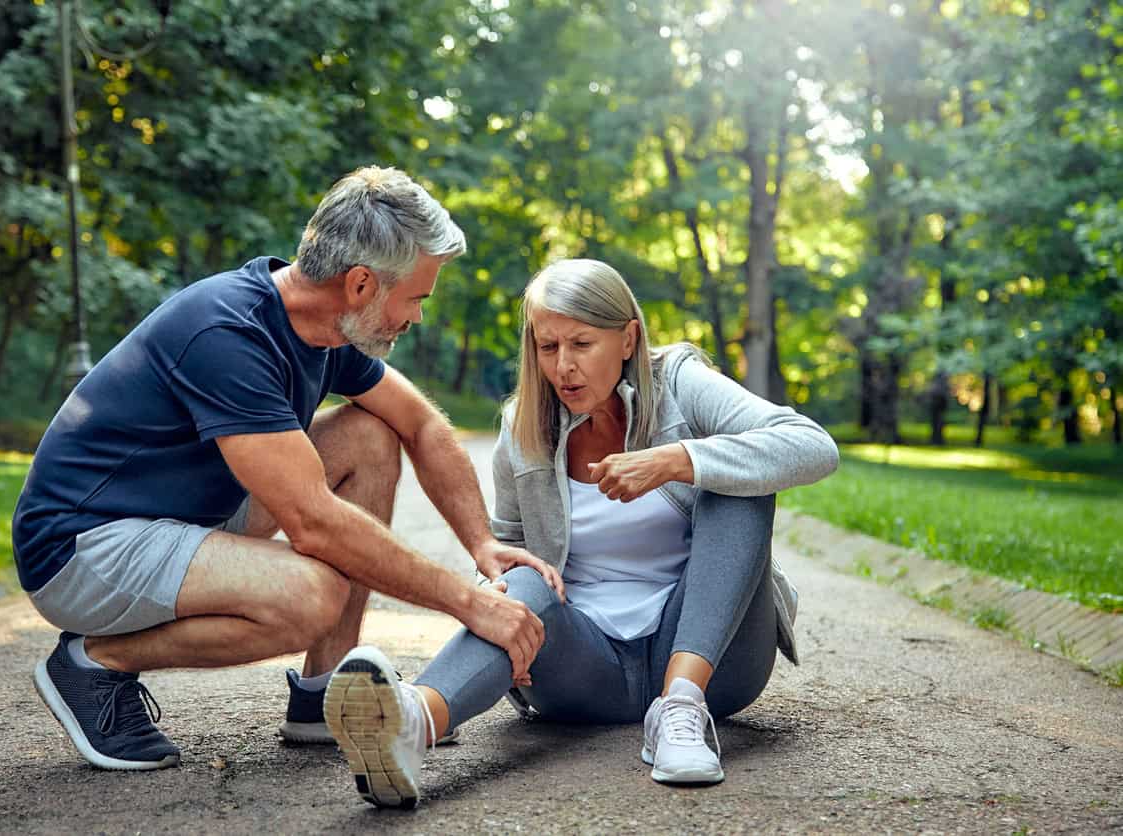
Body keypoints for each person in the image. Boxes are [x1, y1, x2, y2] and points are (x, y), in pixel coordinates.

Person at [12, 166, 562, 771]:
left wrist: (483, 545)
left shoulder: (324, 330)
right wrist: (469, 602)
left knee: (370, 435)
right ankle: (93, 661)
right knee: (309, 596)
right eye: (416, 298)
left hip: (186, 515)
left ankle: (324, 693)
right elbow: (315, 524)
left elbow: (421, 425)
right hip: (82, 548)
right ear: (360, 285)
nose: (419, 317)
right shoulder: (228, 334)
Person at [323, 258, 839, 808]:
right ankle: (416, 721)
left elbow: (812, 446)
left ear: (627, 339)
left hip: (717, 667)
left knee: (739, 480)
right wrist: (500, 625)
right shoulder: (524, 427)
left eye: (581, 344)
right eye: (548, 348)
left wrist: (678, 460)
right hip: (582, 669)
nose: (563, 367)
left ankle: (680, 710)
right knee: (520, 576)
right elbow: (502, 552)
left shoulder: (680, 384)